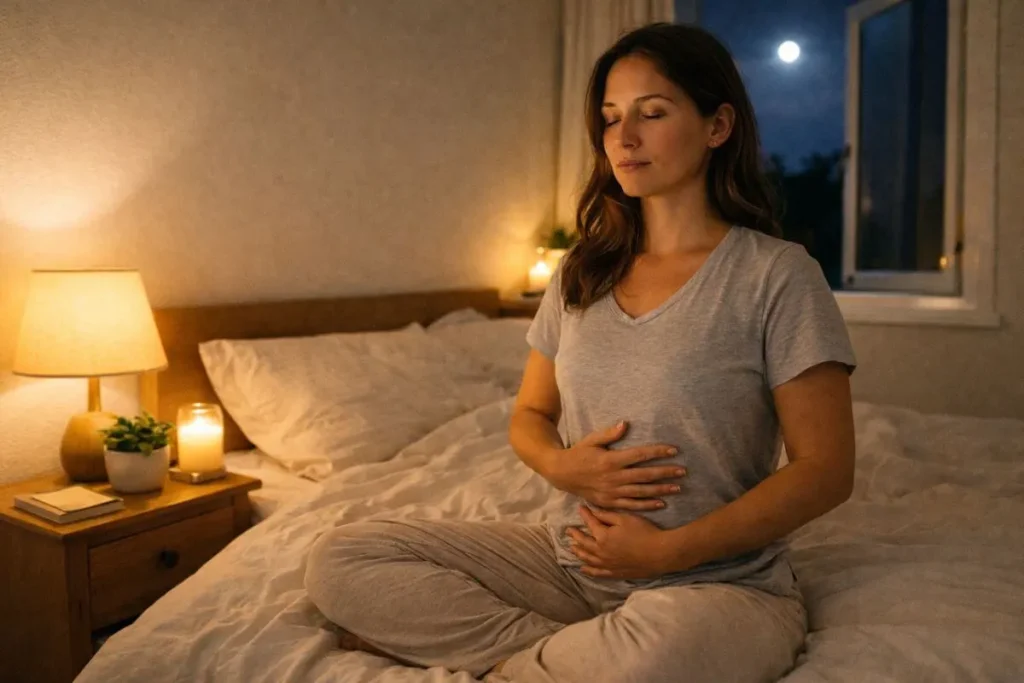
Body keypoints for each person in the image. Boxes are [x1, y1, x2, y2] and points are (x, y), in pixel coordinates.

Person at [304, 22, 857, 683]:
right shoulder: (579, 273)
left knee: (665, 646)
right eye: (610, 118)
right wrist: (564, 469)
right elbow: (530, 415)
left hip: (715, 586)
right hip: (570, 564)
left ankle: (564, 658)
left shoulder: (778, 274)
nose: (624, 138)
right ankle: (552, 655)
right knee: (341, 557)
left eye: (652, 113)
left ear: (718, 126)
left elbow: (826, 469)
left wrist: (666, 552)